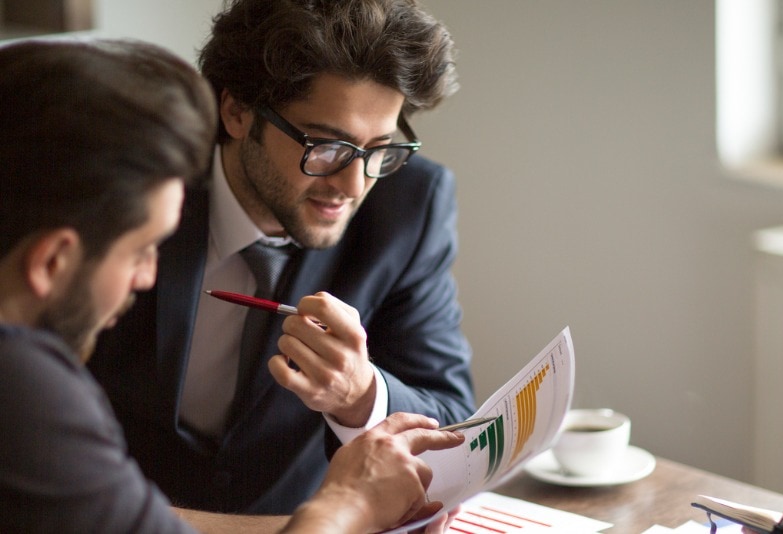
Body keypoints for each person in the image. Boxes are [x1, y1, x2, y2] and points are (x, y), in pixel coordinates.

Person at [0, 37, 463, 533]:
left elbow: (454, 422)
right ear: (237, 112)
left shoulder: (409, 207)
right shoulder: (131, 169)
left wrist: (361, 398)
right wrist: (347, 510)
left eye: (380, 149)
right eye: (325, 145)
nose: (354, 186)